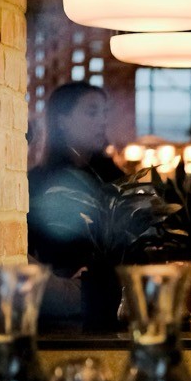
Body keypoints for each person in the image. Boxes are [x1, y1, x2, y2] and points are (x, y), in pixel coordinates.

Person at [27, 82, 127, 328]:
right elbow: (21, 246)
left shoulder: (115, 179)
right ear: (61, 120)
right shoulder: (38, 181)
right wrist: (56, 282)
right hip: (62, 313)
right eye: (92, 112)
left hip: (115, 307)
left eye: (104, 112)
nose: (102, 121)